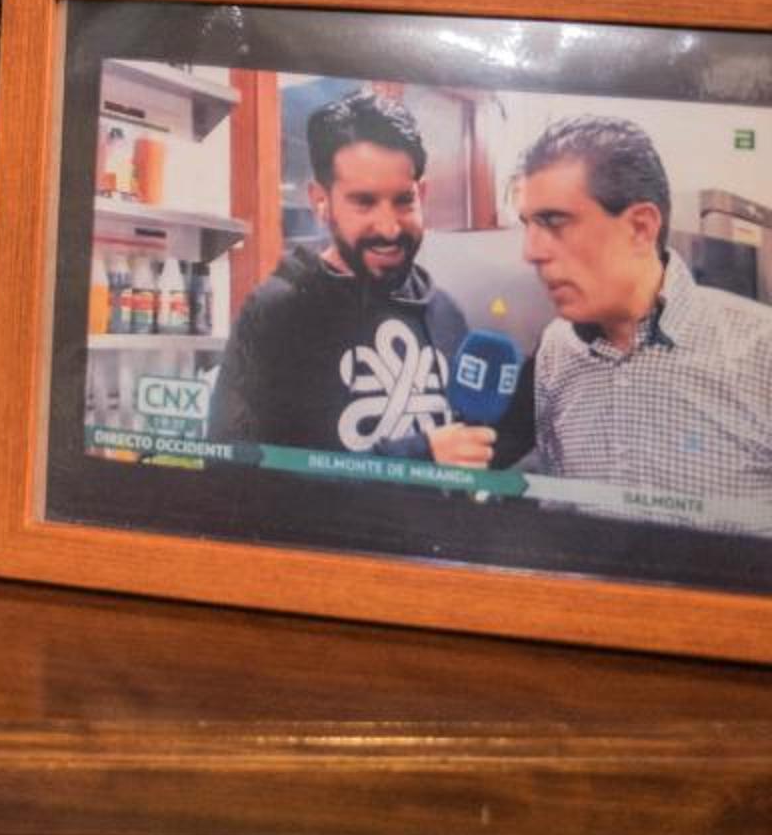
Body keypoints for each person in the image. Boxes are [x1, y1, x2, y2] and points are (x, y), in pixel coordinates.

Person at [207, 89, 517, 467]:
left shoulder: (445, 313)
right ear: (321, 201)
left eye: (403, 200)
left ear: (422, 194)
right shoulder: (275, 314)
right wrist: (422, 457)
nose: (389, 227)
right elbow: (232, 467)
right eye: (364, 202)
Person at [517, 113, 772, 521]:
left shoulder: (761, 351)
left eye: (554, 222)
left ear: (640, 227)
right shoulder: (556, 348)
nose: (530, 252)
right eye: (527, 225)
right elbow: (560, 506)